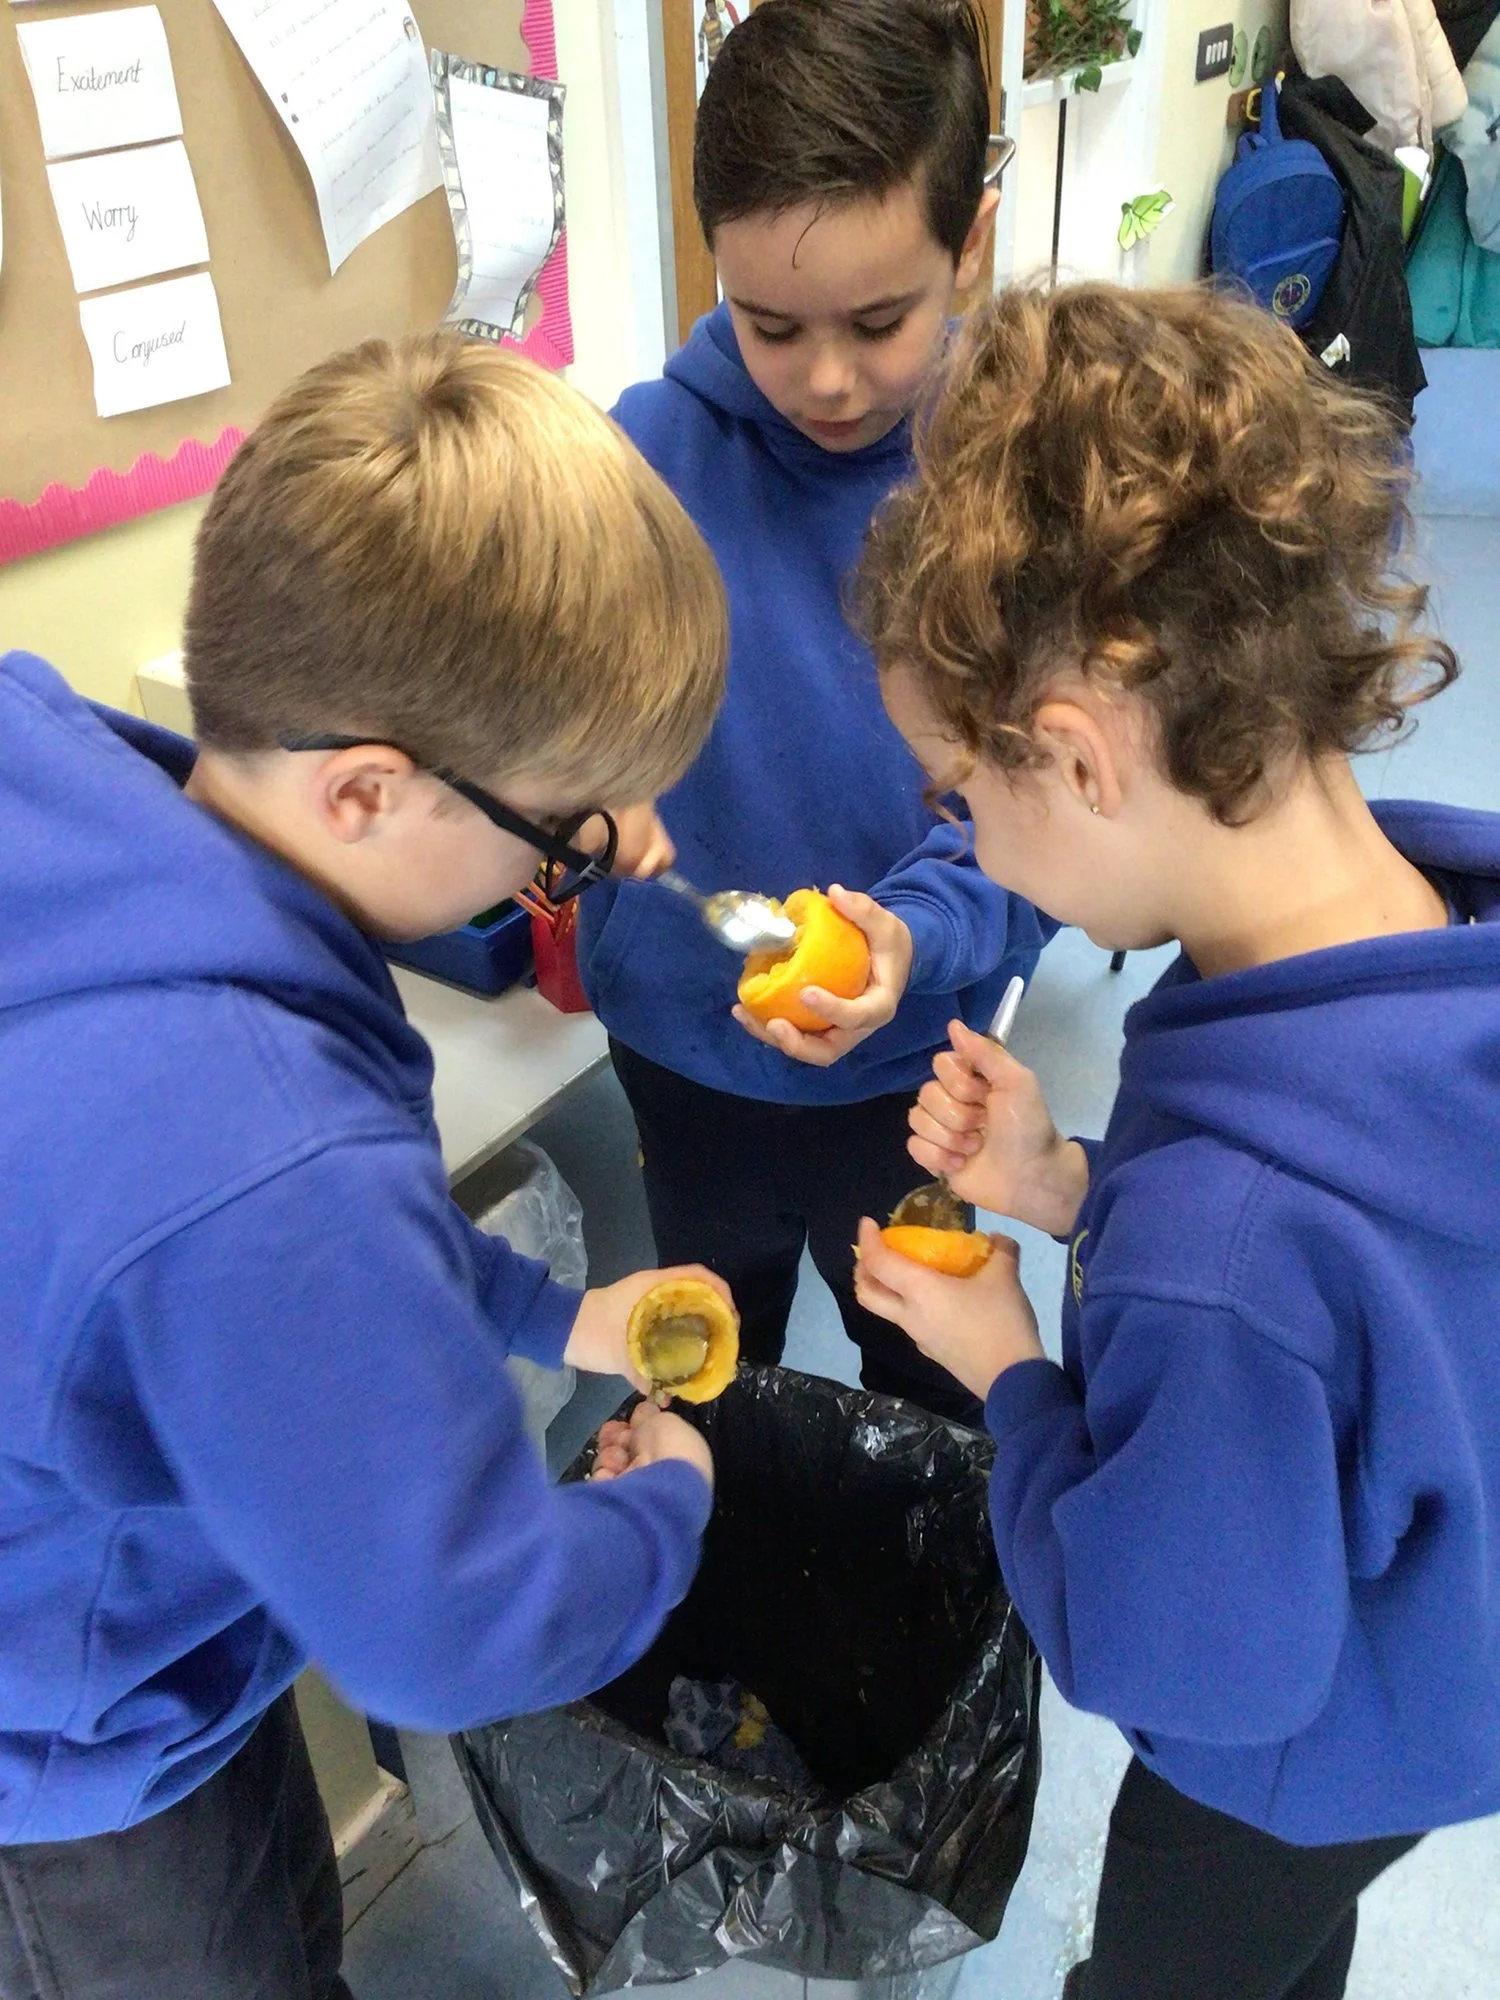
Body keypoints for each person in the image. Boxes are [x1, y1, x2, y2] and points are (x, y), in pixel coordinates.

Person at [0, 333, 732, 1999]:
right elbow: (456, 1626)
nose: (640, 853)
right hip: (90, 1741)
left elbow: (309, 1273)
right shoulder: (268, 1144)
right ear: (368, 790)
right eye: (577, 834)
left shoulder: (65, 771)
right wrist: (661, 1513)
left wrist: (560, 1318)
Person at [850, 281, 1500, 2000]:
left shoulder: (1222, 1250)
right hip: (1436, 1665)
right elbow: (1373, 1320)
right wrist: (1073, 1193)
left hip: (1288, 1756)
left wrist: (1006, 1367)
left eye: (958, 797)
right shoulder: (1437, 926)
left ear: (1070, 757)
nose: (971, 851)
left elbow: (1176, 1657)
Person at [579, 0, 1053, 1426]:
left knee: (931, 1389)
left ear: (967, 240)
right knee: (715, 1374)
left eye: (882, 319)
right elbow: (546, 726)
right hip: (683, 1050)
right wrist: (573, 796)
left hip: (912, 1076)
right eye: (772, 324)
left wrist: (919, 938)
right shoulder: (639, 460)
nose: (830, 379)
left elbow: (1045, 818)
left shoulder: (1013, 480)